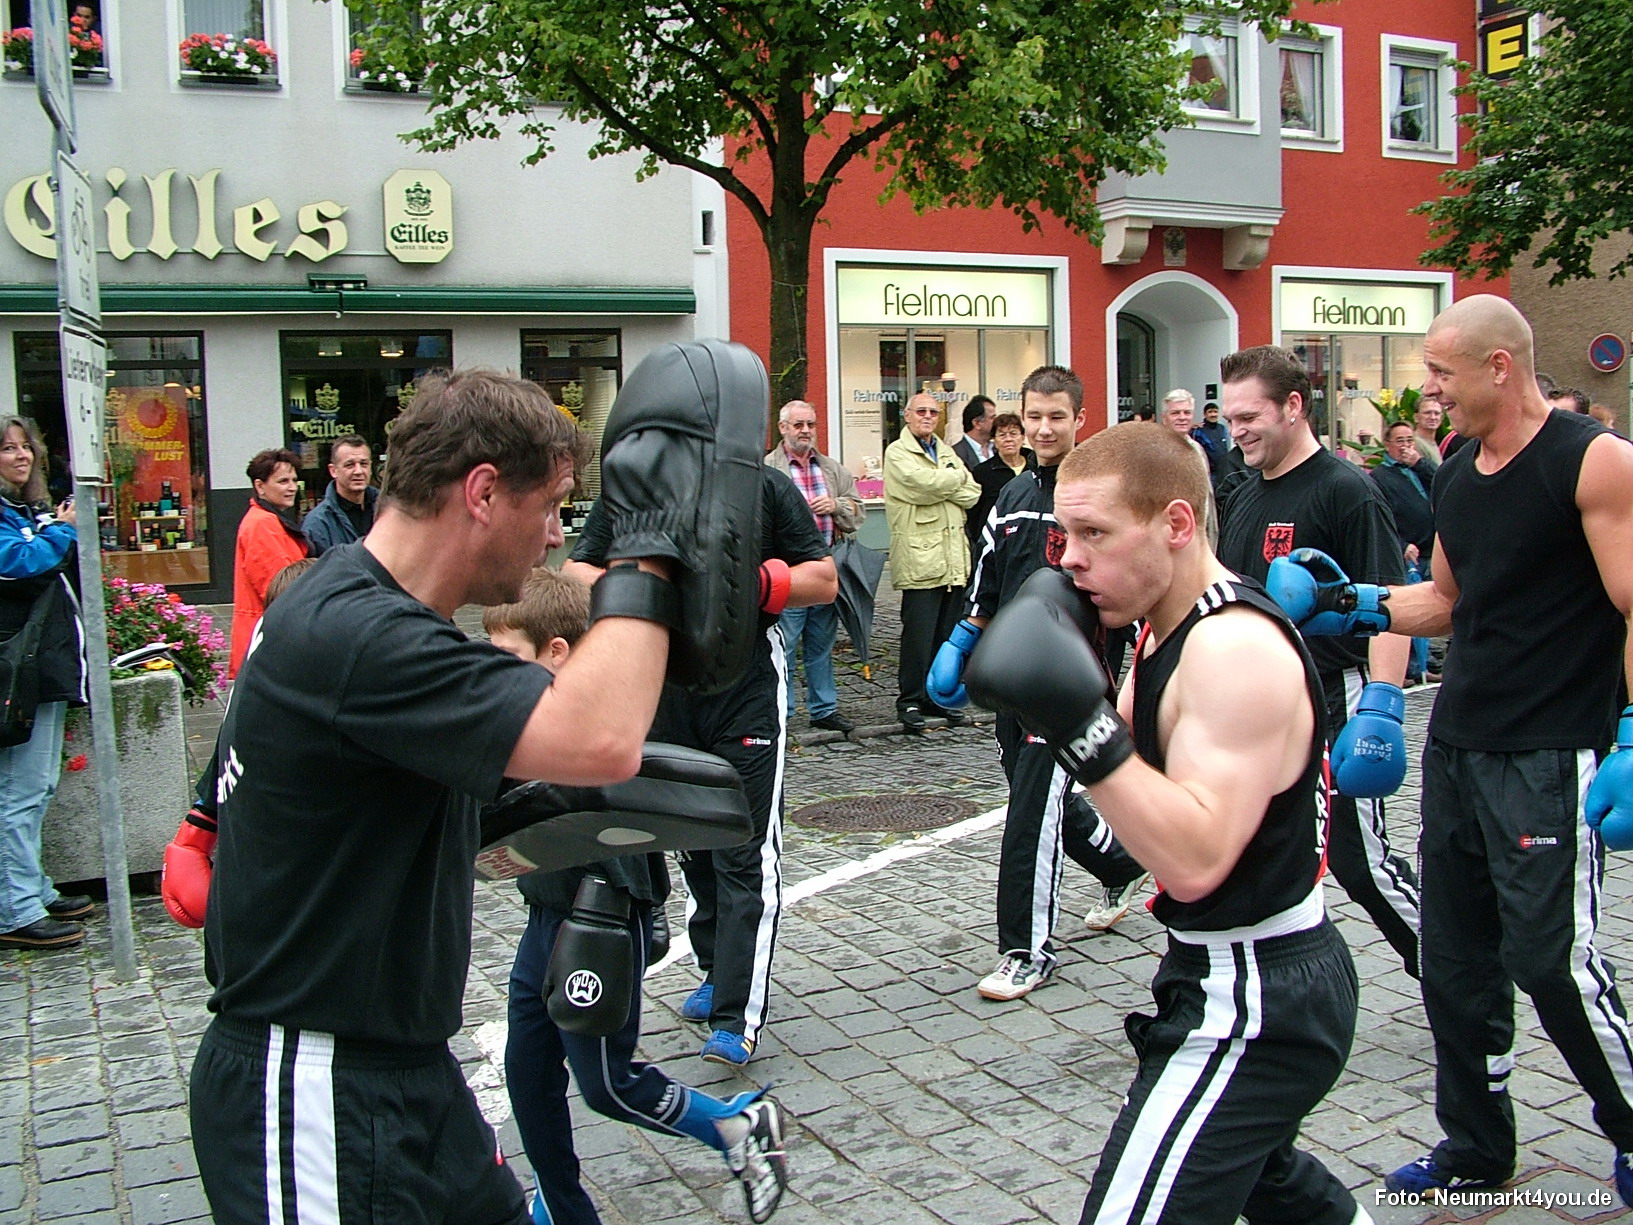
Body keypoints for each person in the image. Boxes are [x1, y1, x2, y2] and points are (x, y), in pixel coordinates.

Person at [187, 360, 772, 1225]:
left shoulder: (351, 602)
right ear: (483, 491)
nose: (552, 539)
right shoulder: (361, 632)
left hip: (407, 1072)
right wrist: (647, 547)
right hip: (310, 1081)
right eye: (551, 509)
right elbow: (598, 737)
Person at [1271, 295, 1633, 1206]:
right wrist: (1353, 603)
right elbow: (1446, 598)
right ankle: (1475, 1144)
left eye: (1440, 372)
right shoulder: (1461, 471)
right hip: (1461, 743)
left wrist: (1632, 735)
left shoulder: (1595, 463)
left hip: (1552, 751)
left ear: (1498, 367)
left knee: (1554, 960)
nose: (1424, 391)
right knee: (1456, 961)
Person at [964, 422, 1369, 1225]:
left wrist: (1078, 720)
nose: (1068, 558)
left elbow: (1193, 859)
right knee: (1267, 1178)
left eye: (1093, 534)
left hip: (1256, 991)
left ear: (1176, 525)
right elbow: (1131, 796)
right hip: (1215, 969)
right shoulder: (1160, 627)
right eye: (1063, 535)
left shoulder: (1231, 651)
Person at [489, 569, 788, 1225]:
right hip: (547, 915)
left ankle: (738, 1126)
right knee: (528, 1074)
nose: (492, 668)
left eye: (507, 654)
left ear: (557, 654)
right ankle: (563, 1209)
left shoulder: (580, 722)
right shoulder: (530, 712)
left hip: (596, 917)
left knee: (608, 1084)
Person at [565, 466, 835, 1066]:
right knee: (692, 841)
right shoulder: (640, 483)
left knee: (744, 849)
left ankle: (739, 1015)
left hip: (744, 693)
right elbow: (575, 568)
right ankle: (716, 966)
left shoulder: (764, 487)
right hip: (665, 686)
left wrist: (753, 582)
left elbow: (823, 579)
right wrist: (643, 588)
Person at [931, 366, 1149, 1002]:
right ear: (1019, 420)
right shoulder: (1012, 496)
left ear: (1080, 418)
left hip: (1075, 682)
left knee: (1031, 806)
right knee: (1042, 794)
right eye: (1034, 416)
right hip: (1012, 672)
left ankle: (1025, 950)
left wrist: (1135, 665)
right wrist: (962, 640)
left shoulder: (1104, 495)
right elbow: (989, 581)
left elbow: (1136, 583)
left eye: (1057, 416)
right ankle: (1122, 863)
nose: (1045, 428)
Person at [1215, 345, 1422, 980]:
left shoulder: (1346, 491)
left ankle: (1460, 975)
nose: (1237, 430)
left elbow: (1394, 604)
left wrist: (1381, 708)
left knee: (1362, 861)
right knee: (1261, 854)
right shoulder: (1245, 492)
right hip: (1265, 702)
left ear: (1294, 406)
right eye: (1228, 418)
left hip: (1335, 694)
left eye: (1249, 416)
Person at [0, 418, 91, 951]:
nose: (21, 457)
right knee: (17, 791)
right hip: (15, 672)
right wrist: (60, 530)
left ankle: (32, 888)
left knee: (36, 787)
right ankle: (15, 908)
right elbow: (17, 562)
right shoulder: (22, 522)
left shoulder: (24, 512)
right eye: (7, 449)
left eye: (25, 447)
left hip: (40, 670)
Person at [764, 400, 862, 734]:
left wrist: (836, 505)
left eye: (811, 424)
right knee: (785, 643)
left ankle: (824, 709)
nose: (806, 431)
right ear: (782, 428)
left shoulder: (832, 469)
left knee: (821, 644)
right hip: (789, 573)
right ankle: (783, 709)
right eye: (798, 425)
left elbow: (858, 510)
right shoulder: (769, 468)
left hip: (826, 570)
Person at [885, 392, 980, 733]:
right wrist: (953, 480)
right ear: (907, 416)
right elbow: (918, 485)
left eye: (933, 412)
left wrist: (948, 483)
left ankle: (935, 697)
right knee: (917, 638)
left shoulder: (944, 450)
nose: (927, 416)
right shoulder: (897, 453)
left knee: (945, 636)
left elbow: (973, 493)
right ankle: (909, 699)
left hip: (953, 559)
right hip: (919, 559)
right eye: (921, 411)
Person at [226, 448, 309, 678]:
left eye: (294, 480)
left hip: (266, 637)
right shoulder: (262, 524)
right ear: (260, 486)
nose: (292, 487)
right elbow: (280, 589)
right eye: (283, 481)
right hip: (267, 640)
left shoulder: (267, 520)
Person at [1370, 421, 1436, 572]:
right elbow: (1378, 519)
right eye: (1400, 441)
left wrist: (1419, 463)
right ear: (1387, 445)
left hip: (1434, 551)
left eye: (1410, 440)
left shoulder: (1420, 467)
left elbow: (1443, 482)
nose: (1405, 445)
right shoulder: (1379, 476)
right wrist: (1401, 545)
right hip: (1410, 556)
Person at [965, 412, 1034, 554]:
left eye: (1013, 433)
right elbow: (974, 517)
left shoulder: (1036, 466)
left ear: (1022, 437)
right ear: (994, 441)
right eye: (1002, 435)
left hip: (1033, 540)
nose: (1008, 439)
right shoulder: (982, 473)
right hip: (999, 544)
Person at [301, 433, 378, 555]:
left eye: (363, 464)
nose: (358, 471)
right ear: (333, 470)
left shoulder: (387, 511)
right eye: (349, 465)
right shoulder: (318, 524)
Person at [952, 395, 998, 471]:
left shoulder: (997, 449)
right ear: (977, 423)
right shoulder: (956, 454)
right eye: (992, 418)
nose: (997, 421)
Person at [1412, 398, 1445, 470]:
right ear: (1416, 417)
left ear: (1442, 418)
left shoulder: (1433, 443)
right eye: (1427, 413)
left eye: (1437, 413)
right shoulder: (1414, 443)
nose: (1433, 417)